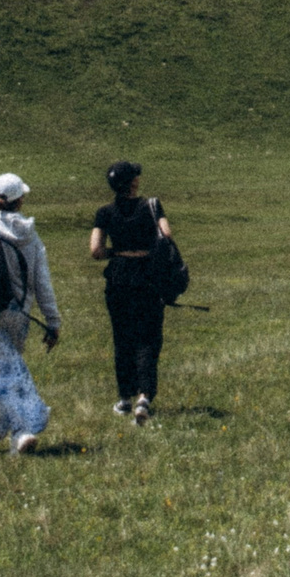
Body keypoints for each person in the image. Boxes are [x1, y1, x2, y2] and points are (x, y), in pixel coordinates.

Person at [0, 171, 61, 455]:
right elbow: (42, 283)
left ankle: (12, 431)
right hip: (20, 316)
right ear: (21, 200)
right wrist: (52, 321)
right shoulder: (31, 236)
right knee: (1, 370)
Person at [89, 159, 174, 426]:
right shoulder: (151, 206)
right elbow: (167, 235)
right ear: (133, 182)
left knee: (122, 336)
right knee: (148, 337)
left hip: (118, 277)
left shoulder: (104, 212)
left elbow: (96, 250)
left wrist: (118, 251)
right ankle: (144, 397)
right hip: (146, 276)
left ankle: (125, 397)